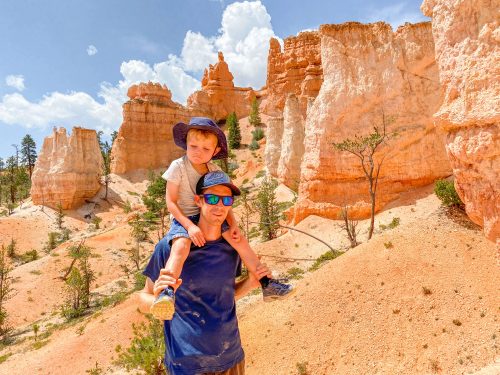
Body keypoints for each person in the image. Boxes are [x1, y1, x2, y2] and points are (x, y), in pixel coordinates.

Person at [149, 117, 292, 320]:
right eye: (194, 146)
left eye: (206, 149)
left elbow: (225, 201)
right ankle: (167, 291)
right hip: (185, 217)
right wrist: (189, 227)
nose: (199, 152)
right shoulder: (178, 166)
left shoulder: (215, 171)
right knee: (181, 246)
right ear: (185, 144)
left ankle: (266, 283)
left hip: (211, 212)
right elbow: (171, 203)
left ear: (215, 151)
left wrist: (233, 226)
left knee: (239, 241)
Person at [138, 171, 272, 374]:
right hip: (186, 365)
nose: (219, 206)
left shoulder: (230, 248)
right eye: (211, 198)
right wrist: (156, 300)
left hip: (231, 358)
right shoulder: (170, 248)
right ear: (198, 201)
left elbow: (227, 293)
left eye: (226, 200)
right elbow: (143, 298)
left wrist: (251, 283)